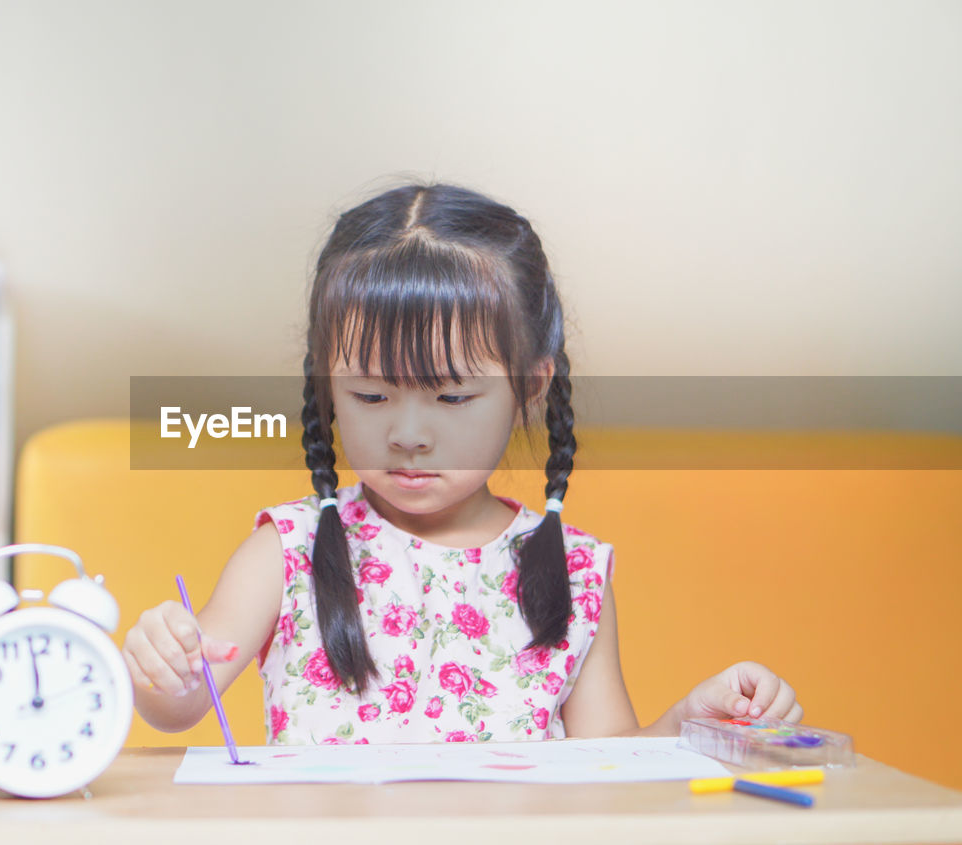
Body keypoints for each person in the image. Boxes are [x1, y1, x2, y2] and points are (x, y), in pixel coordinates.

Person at [124, 182, 801, 743]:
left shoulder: (570, 570)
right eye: (369, 393)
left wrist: (692, 722)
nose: (409, 433)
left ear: (529, 387)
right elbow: (180, 703)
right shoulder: (286, 551)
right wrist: (164, 663)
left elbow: (608, 773)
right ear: (326, 387)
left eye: (451, 395)